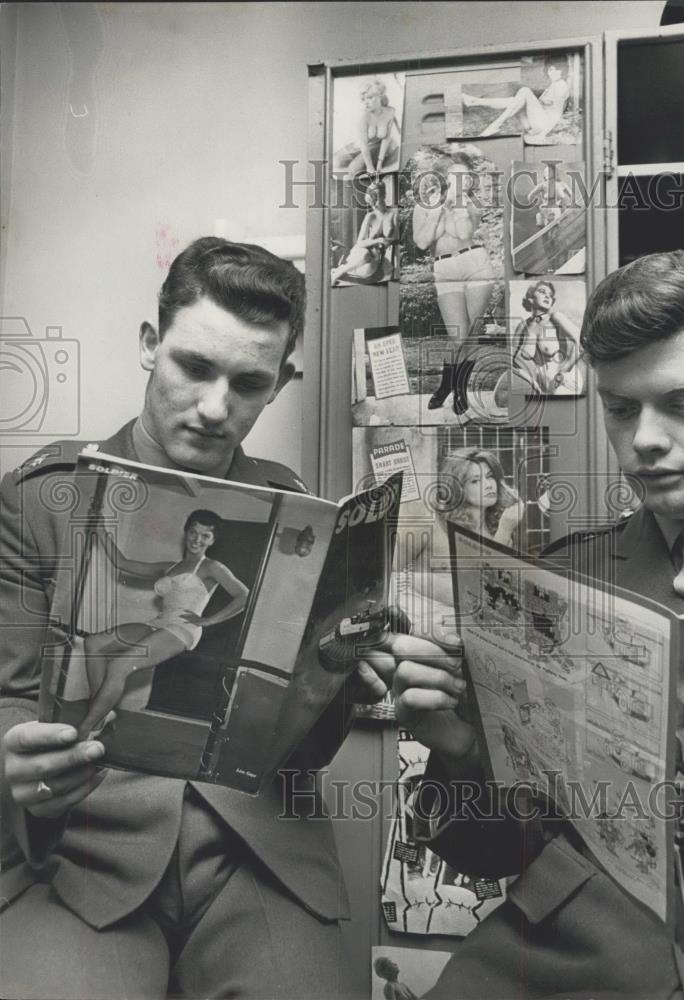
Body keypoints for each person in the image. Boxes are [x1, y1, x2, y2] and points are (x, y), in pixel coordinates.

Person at [0, 237, 390, 999]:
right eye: (194, 367)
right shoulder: (40, 496)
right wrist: (12, 757)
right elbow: (6, 692)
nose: (216, 408)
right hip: (80, 851)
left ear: (281, 382)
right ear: (151, 346)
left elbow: (306, 740)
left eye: (249, 382)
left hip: (260, 852)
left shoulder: (303, 515)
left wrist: (343, 674)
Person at [388, 245, 684, 1000]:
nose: (644, 439)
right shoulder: (568, 580)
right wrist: (460, 754)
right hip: (560, 966)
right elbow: (495, 850)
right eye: (620, 408)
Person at [77, 509, 249, 740]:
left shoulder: (211, 567)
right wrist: (100, 529)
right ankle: (101, 714)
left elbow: (243, 596)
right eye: (193, 532)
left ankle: (85, 730)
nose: (197, 539)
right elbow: (122, 563)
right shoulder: (170, 567)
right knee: (93, 643)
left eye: (205, 536)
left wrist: (208, 620)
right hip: (159, 622)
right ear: (186, 532)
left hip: (182, 629)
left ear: (212, 540)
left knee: (119, 666)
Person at [395, 448, 525, 634]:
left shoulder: (500, 528)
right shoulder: (432, 522)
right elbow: (390, 572)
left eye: (490, 477)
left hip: (472, 626)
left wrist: (505, 529)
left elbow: (494, 591)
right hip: (421, 618)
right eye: (475, 481)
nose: (488, 485)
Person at [412, 152, 496, 415]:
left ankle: (457, 388)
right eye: (454, 176)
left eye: (464, 177)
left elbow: (462, 233)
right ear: (446, 178)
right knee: (458, 335)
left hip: (475, 264)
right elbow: (423, 242)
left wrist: (456, 206)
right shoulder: (423, 205)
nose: (459, 181)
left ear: (469, 181)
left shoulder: (472, 205)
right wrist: (439, 209)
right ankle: (448, 385)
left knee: (471, 334)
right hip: (445, 269)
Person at [503, 280, 584, 400]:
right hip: (541, 384)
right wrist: (531, 381)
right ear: (530, 298)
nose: (547, 296)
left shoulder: (555, 318)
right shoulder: (523, 326)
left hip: (565, 380)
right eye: (542, 292)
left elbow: (582, 341)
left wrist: (563, 371)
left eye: (550, 295)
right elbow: (512, 362)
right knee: (501, 398)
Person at [462, 59, 570, 142]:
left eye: (557, 69)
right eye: (550, 69)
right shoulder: (554, 85)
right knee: (515, 100)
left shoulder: (561, 86)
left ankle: (494, 125)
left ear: (563, 70)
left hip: (542, 126)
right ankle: (475, 101)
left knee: (525, 91)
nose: (553, 72)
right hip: (533, 124)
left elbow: (556, 115)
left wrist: (542, 135)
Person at [331, 179, 398, 286]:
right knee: (365, 255)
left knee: (368, 268)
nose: (374, 205)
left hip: (376, 258)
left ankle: (342, 269)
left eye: (375, 200)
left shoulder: (393, 213)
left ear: (384, 195)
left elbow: (396, 238)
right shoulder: (370, 216)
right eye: (371, 202)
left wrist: (388, 241)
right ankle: (339, 273)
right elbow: (360, 243)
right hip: (361, 252)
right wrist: (378, 240)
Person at [333, 77, 400, 179]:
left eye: (369, 98)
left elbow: (386, 138)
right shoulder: (364, 117)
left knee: (354, 169)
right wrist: (370, 167)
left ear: (380, 96)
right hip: (361, 145)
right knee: (334, 162)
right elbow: (363, 145)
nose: (365, 102)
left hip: (379, 145)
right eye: (363, 99)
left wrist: (379, 162)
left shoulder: (390, 112)